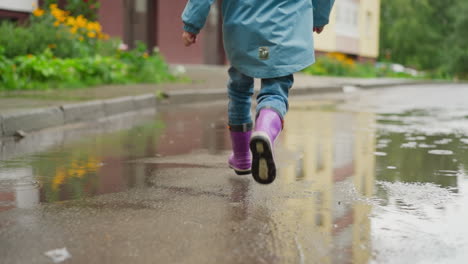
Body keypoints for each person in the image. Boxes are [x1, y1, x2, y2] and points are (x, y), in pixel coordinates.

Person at [182, 0, 335, 184]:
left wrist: (192, 24)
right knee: (275, 91)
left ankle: (241, 157)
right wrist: (319, 17)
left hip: (242, 30)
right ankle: (264, 131)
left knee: (239, 91)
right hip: (284, 27)